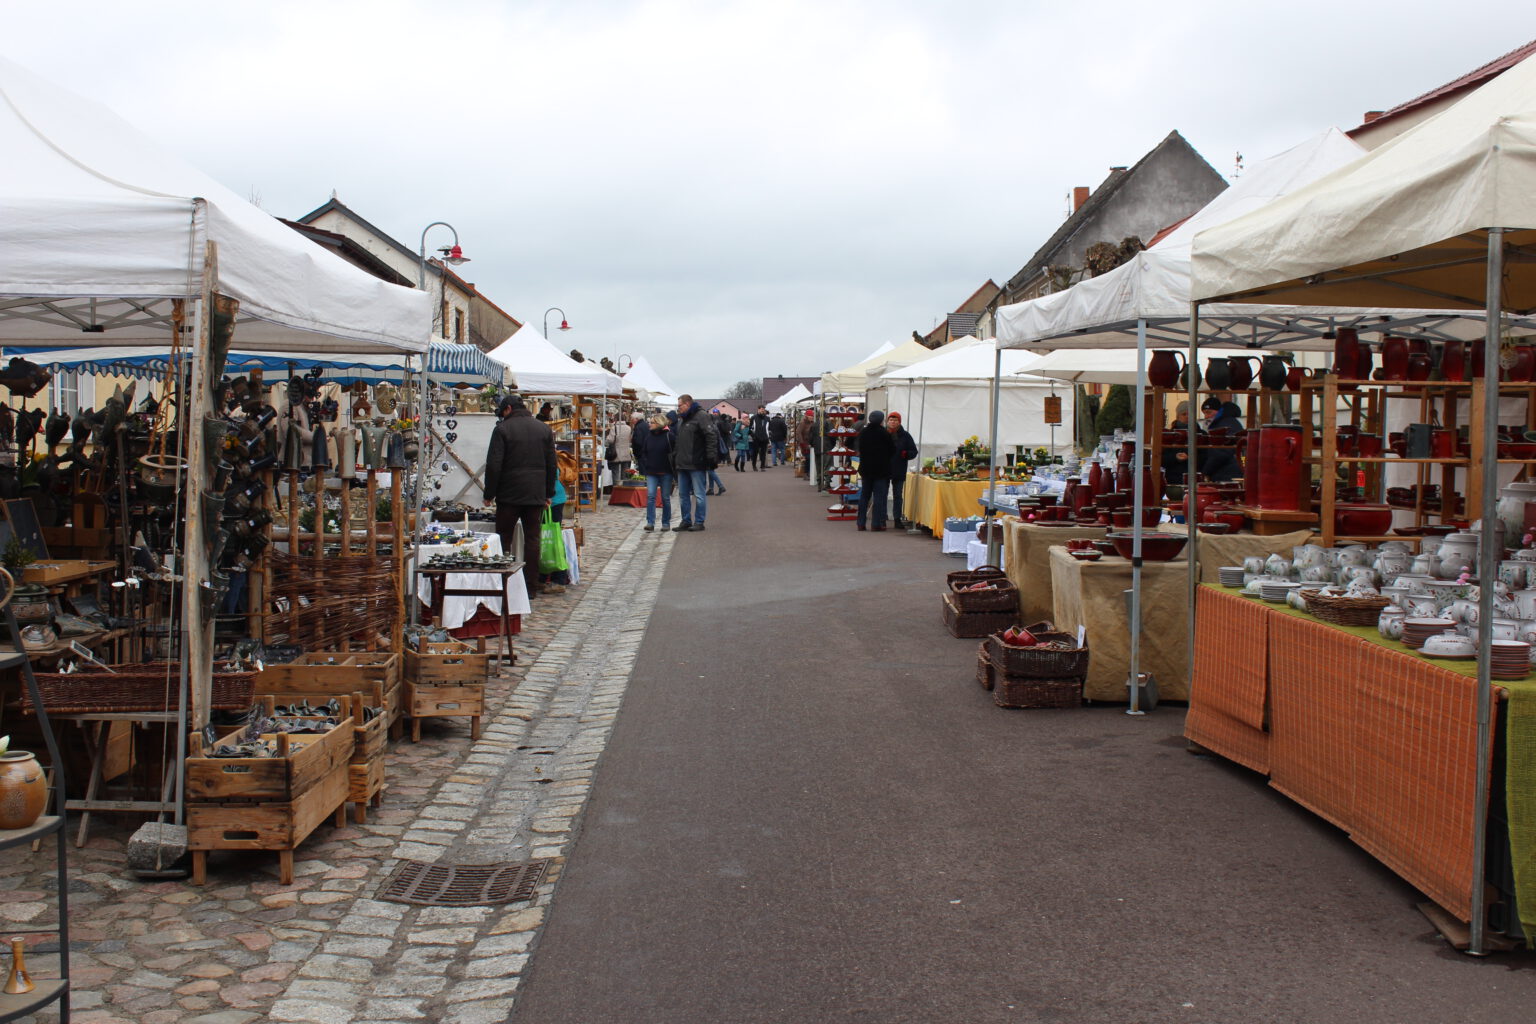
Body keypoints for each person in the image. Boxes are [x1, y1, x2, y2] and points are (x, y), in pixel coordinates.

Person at [483, 393, 556, 598]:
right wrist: (548, 492)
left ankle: (503, 582)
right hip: (535, 493)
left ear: (507, 410)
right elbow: (552, 464)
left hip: (509, 493)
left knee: (504, 538)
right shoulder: (543, 428)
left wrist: (490, 493)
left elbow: (494, 464)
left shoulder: (503, 429)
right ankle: (530, 586)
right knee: (532, 540)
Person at [672, 394, 719, 532]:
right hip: (682, 463)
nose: (678, 408)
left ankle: (699, 521)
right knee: (683, 495)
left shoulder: (701, 416)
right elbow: (679, 440)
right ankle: (686, 520)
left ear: (687, 404)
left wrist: (710, 456)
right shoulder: (682, 419)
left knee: (699, 494)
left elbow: (711, 436)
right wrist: (675, 455)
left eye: (680, 405)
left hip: (696, 463)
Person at [632, 412, 675, 532]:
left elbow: (674, 452)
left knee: (665, 498)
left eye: (652, 422)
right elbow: (644, 451)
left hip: (666, 472)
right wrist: (646, 463)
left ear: (659, 423)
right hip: (651, 471)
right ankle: (650, 522)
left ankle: (665, 522)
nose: (649, 424)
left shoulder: (669, 436)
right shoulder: (649, 436)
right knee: (651, 497)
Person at [855, 409, 895, 531]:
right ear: (881, 420)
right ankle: (876, 524)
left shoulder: (864, 432)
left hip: (866, 469)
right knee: (878, 497)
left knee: (864, 496)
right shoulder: (884, 433)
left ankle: (861, 523)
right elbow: (892, 450)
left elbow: (859, 447)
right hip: (881, 471)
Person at [885, 411, 918, 529]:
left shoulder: (905, 436)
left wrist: (906, 454)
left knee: (897, 495)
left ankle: (897, 519)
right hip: (884, 469)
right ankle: (882, 517)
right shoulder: (883, 434)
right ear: (887, 421)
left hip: (899, 469)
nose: (893, 422)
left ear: (899, 422)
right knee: (882, 494)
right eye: (891, 420)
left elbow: (914, 451)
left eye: (895, 420)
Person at [749, 405, 771, 470]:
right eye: (761, 409)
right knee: (755, 453)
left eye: (763, 409)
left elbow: (769, 428)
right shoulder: (753, 417)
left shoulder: (767, 418)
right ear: (758, 410)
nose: (763, 410)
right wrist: (753, 436)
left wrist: (769, 436)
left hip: (765, 438)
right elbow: (749, 428)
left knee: (763, 453)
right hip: (756, 438)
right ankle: (754, 466)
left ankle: (762, 466)